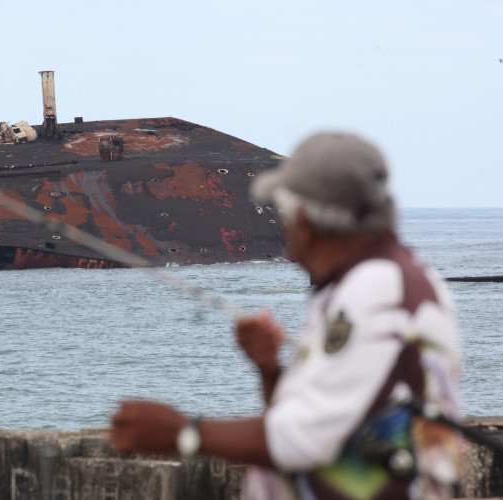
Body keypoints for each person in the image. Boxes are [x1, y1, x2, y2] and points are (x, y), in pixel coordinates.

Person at [110, 132, 462, 500]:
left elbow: (304, 440)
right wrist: (269, 369)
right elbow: (317, 419)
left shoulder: (377, 291)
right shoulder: (368, 283)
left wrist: (183, 432)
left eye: (285, 216)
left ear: (306, 222)